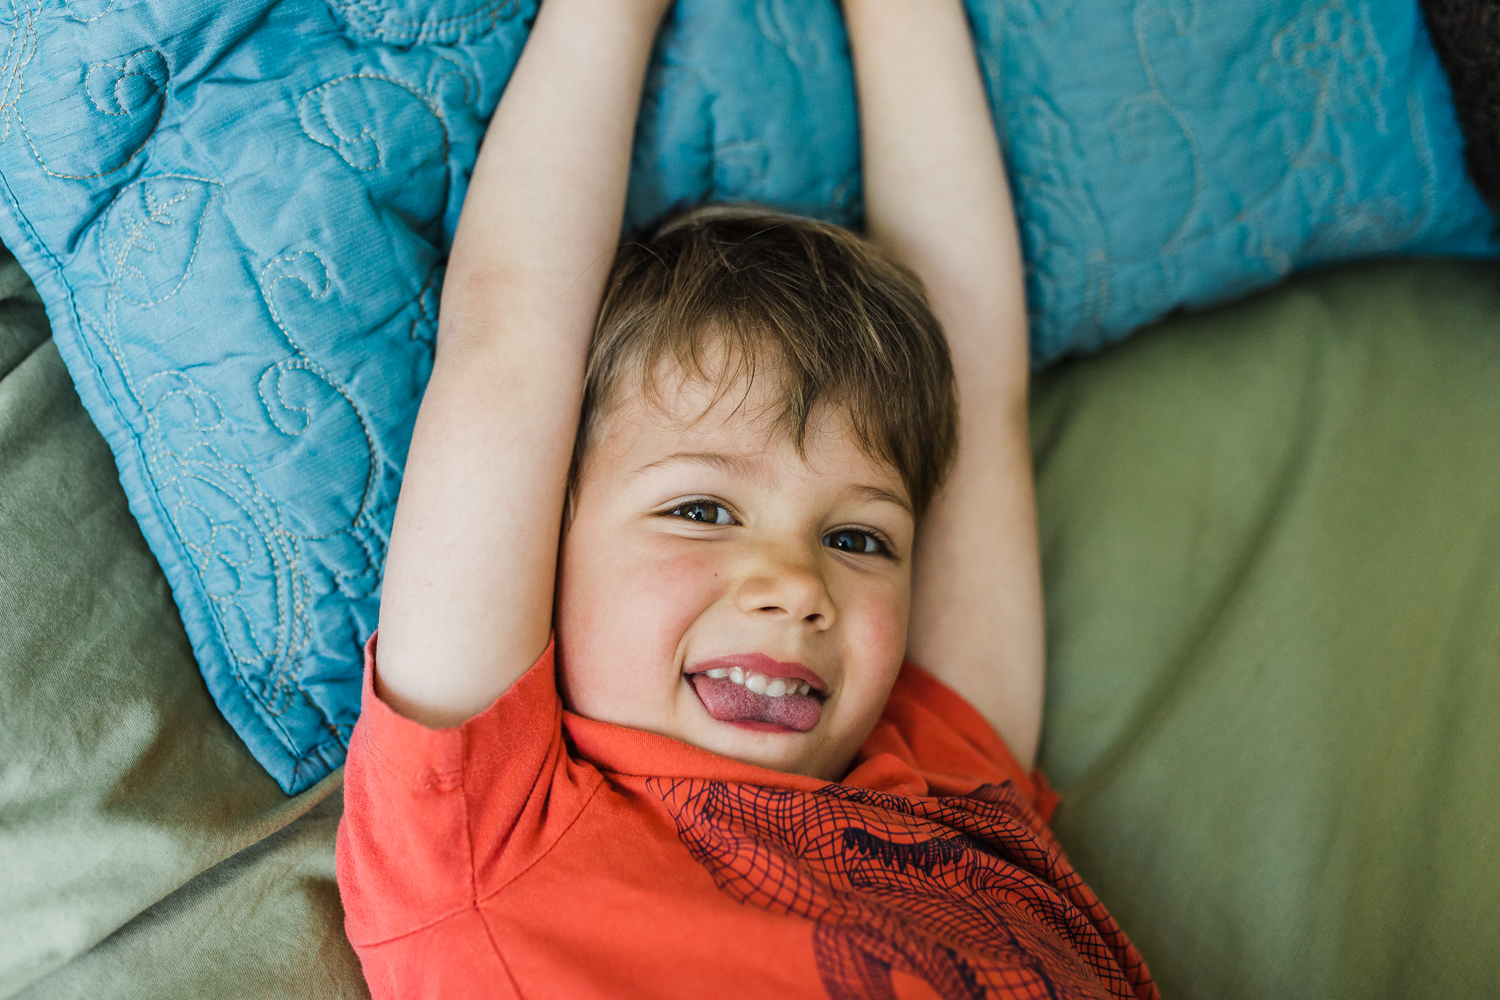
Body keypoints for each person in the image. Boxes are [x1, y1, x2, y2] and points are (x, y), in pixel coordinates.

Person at [336, 0, 1158, 997]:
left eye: (858, 535)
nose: (796, 584)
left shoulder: (940, 781)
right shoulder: (488, 835)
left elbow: (971, 387)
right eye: (704, 510)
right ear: (543, 534)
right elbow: (508, 338)